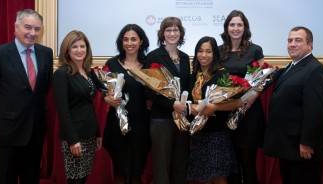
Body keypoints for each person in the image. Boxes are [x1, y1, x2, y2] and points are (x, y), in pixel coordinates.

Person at [0, 9, 53, 184]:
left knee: (31, 179)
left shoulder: (46, 53)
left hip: (35, 132)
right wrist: (5, 115)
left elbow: (44, 88)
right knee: (7, 179)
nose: (32, 33)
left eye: (37, 29)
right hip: (8, 132)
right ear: (16, 27)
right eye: (28, 27)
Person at [263, 26, 323, 184]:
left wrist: (307, 142)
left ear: (310, 45)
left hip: (302, 149)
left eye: (298, 40)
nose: (292, 44)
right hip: (289, 148)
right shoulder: (292, 66)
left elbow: (315, 111)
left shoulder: (315, 70)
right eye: (290, 40)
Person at [219, 10, 266, 184]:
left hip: (249, 112)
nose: (236, 28)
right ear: (227, 27)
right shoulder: (218, 51)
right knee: (230, 163)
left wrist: (252, 97)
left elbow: (263, 77)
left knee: (247, 163)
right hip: (225, 112)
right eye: (232, 24)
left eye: (239, 24)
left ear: (245, 27)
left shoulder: (255, 50)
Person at [53, 30, 104, 184]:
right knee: (75, 179)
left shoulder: (88, 72)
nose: (79, 50)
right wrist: (72, 140)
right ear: (67, 50)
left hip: (89, 134)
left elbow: (90, 104)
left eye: (82, 46)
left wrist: (97, 133)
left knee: (83, 178)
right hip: (74, 137)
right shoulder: (62, 74)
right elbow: (63, 110)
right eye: (74, 47)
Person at [188, 36, 241, 184]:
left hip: (218, 134)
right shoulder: (194, 76)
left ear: (214, 54)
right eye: (200, 51)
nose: (203, 55)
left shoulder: (221, 74)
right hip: (199, 134)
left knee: (219, 178)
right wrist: (190, 107)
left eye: (208, 51)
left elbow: (237, 102)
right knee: (204, 177)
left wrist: (215, 107)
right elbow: (188, 101)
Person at [102, 24, 151, 184]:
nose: (129, 43)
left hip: (142, 124)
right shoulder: (112, 64)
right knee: (120, 170)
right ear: (121, 42)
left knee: (137, 171)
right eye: (125, 39)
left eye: (133, 39)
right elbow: (105, 91)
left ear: (141, 41)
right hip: (117, 124)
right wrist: (107, 98)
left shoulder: (150, 65)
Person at [145, 17, 190, 184]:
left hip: (182, 120)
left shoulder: (185, 58)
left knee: (180, 165)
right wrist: (173, 105)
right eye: (168, 30)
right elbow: (149, 91)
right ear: (162, 33)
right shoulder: (154, 56)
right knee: (161, 167)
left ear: (181, 33)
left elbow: (187, 87)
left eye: (176, 30)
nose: (172, 33)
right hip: (161, 119)